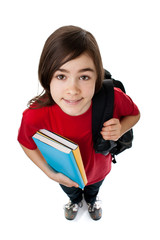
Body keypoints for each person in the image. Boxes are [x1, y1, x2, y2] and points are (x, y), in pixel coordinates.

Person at [17, 25, 140, 221]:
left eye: (84, 77)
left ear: (97, 77)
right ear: (47, 76)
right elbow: (25, 142)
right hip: (65, 174)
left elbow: (135, 114)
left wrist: (121, 129)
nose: (72, 89)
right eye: (61, 76)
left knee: (93, 189)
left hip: (99, 170)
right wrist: (51, 174)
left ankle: (92, 200)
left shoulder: (113, 98)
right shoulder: (35, 115)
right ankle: (75, 201)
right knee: (71, 191)